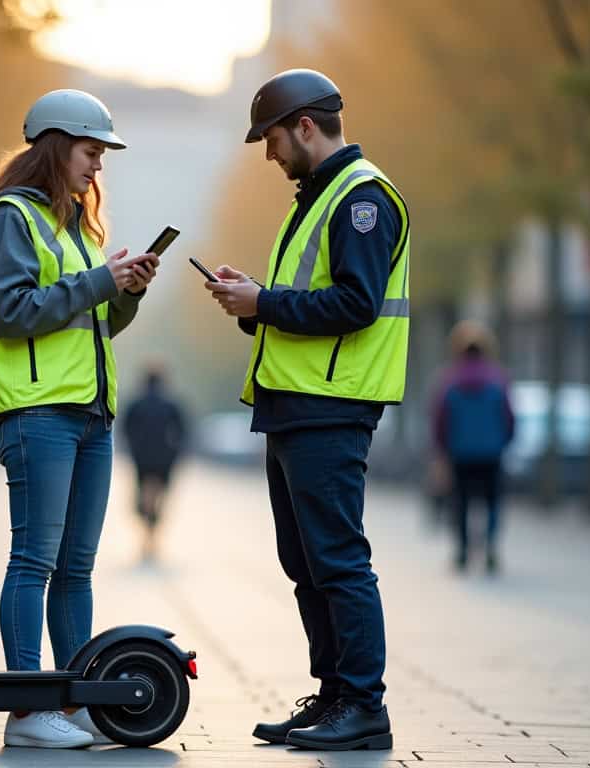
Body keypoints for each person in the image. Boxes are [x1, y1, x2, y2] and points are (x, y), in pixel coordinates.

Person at [203, 68, 408, 751]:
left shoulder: (360, 200)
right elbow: (304, 304)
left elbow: (355, 303)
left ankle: (363, 706)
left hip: (331, 406)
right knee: (307, 561)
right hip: (295, 405)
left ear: (306, 127)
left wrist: (263, 302)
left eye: (272, 138)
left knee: (338, 560)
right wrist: (252, 301)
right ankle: (333, 697)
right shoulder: (316, 198)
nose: (268, 153)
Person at [0, 88, 160, 749]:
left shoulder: (72, 225)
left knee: (76, 567)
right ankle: (25, 711)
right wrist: (102, 280)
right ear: (55, 145)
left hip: (89, 413)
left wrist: (123, 292)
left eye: (101, 155)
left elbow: (87, 321)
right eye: (90, 151)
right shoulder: (11, 218)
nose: (97, 166)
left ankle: (72, 703)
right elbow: (16, 312)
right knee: (34, 561)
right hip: (36, 413)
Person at [431, 321, 515, 573]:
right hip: (492, 452)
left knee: (461, 501)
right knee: (492, 501)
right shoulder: (499, 379)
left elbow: (439, 419)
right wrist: (505, 441)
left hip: (459, 452)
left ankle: (463, 551)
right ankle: (489, 547)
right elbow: (509, 417)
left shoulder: (448, 380)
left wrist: (441, 448)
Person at [121, 365, 187, 562]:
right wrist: (174, 452)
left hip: (141, 459)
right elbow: (183, 431)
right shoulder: (171, 404)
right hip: (164, 459)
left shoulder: (136, 404)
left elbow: (125, 429)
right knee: (158, 499)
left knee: (144, 499)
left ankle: (147, 538)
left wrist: (133, 449)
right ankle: (151, 538)